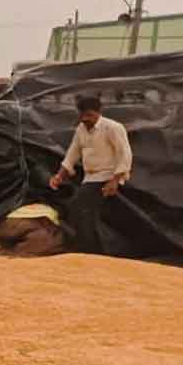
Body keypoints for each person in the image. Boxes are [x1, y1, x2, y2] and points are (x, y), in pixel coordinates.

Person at [48, 95, 133, 254]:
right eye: (83, 115)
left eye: (90, 115)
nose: (86, 119)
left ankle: (87, 250)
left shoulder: (113, 127)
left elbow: (125, 154)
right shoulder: (81, 129)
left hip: (107, 176)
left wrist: (115, 180)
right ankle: (90, 250)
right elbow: (73, 153)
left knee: (79, 206)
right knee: (85, 212)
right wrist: (59, 175)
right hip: (90, 177)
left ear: (98, 113)